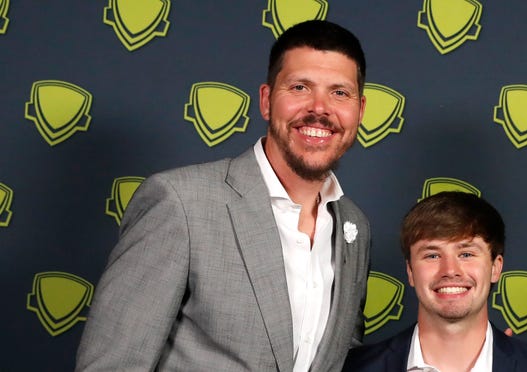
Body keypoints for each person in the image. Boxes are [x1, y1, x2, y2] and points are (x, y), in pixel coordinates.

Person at [76, 20, 370, 372]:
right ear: (266, 100)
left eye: (339, 93)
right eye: (300, 87)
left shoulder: (354, 227)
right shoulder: (181, 203)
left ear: (360, 110)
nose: (320, 108)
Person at [342, 192, 527, 371]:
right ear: (411, 272)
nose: (450, 270)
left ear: (496, 267)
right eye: (432, 255)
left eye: (466, 254)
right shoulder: (353, 369)